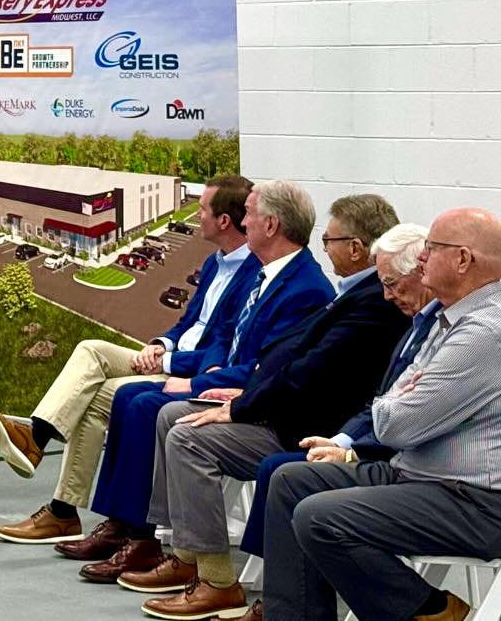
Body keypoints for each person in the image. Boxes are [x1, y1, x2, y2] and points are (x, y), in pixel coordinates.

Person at [125, 195, 409, 620]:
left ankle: (217, 579)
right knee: (169, 414)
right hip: (291, 412)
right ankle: (188, 558)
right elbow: (284, 355)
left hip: (308, 424)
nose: (323, 247)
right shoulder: (353, 294)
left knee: (190, 435)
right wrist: (239, 395)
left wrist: (241, 406)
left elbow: (306, 370)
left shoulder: (370, 302)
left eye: (329, 239)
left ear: (355, 247)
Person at [0, 176, 262, 554]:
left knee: (103, 396)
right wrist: (160, 343)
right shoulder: (215, 263)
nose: (197, 214)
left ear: (224, 221)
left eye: (204, 209)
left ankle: (65, 508)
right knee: (90, 349)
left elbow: (222, 348)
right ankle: (38, 439)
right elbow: (189, 322)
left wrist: (169, 358)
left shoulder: (252, 274)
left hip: (190, 371)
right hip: (170, 355)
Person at [72, 180, 335, 583]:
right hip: (222, 382)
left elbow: (271, 370)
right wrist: (207, 372)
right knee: (134, 399)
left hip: (261, 408)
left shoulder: (307, 289)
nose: (243, 222)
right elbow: (221, 334)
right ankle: (133, 529)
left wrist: (198, 384)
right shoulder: (267, 273)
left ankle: (163, 545)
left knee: (154, 409)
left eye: (249, 214)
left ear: (270, 224)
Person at [263, 208, 501, 621]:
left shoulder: (484, 332)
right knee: (290, 481)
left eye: (433, 248)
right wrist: (402, 398)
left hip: (475, 503)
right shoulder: (450, 318)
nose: (423, 257)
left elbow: (394, 423)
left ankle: (432, 610)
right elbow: (394, 398)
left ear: (463, 260)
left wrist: (401, 400)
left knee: (319, 517)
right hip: (420, 477)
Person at [236, 223, 439, 560]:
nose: (388, 294)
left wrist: (351, 451)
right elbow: (383, 401)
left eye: (391, 283)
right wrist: (341, 441)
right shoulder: (417, 325)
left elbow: (407, 409)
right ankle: (278, 593)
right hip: (376, 442)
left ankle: (268, 593)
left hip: (407, 463)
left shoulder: (450, 328)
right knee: (285, 473)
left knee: (289, 479)